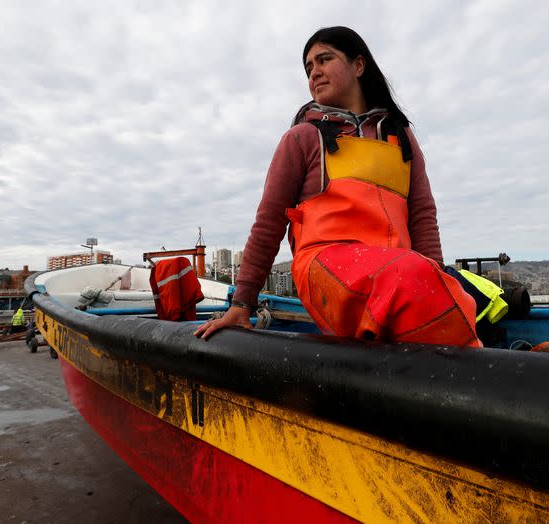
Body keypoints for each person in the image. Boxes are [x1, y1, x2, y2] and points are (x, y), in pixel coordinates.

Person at [195, 26, 481, 348]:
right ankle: (487, 380)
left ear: (359, 66)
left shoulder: (401, 138)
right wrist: (242, 305)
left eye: (324, 59)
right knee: (408, 276)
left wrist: (438, 276)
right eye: (308, 67)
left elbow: (423, 217)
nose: (314, 72)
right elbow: (269, 222)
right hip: (325, 266)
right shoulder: (302, 139)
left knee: (445, 285)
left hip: (396, 268)